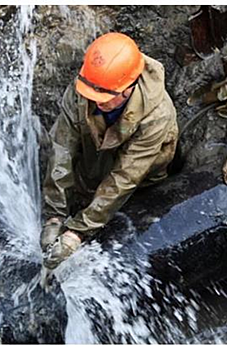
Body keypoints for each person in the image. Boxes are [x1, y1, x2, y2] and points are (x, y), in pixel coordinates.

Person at [41, 32, 179, 269]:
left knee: (124, 213)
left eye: (105, 97)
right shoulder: (87, 86)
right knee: (82, 181)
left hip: (141, 181)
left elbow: (125, 177)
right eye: (92, 96)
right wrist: (55, 215)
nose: (96, 102)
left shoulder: (157, 116)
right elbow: (62, 147)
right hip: (94, 160)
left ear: (129, 88)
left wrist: (78, 232)